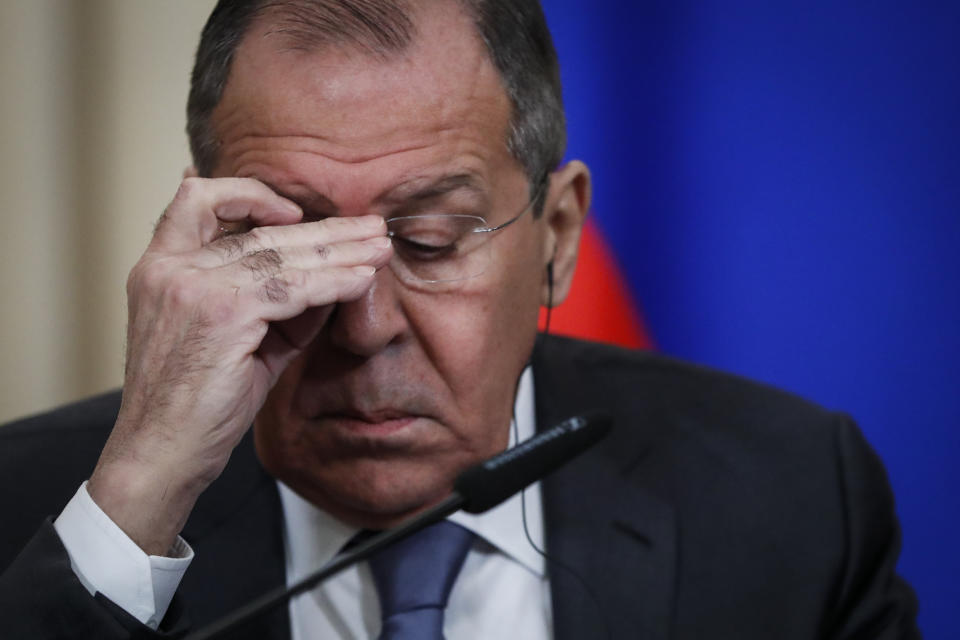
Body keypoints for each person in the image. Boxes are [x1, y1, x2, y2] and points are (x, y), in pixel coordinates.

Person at [0, 0, 920, 638]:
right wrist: (136, 505)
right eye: (292, 246)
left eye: (432, 240)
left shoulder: (790, 497)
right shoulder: (37, 511)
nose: (361, 326)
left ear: (558, 235)